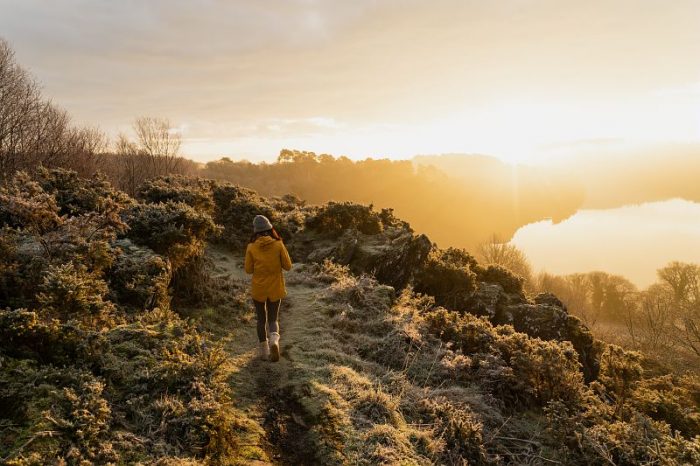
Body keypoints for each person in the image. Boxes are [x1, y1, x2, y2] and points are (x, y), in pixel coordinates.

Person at [244, 215, 292, 362]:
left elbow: (248, 270)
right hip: (275, 288)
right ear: (270, 229)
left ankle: (264, 353)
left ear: (256, 231)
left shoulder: (251, 247)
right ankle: (274, 341)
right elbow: (288, 266)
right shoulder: (278, 244)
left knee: (261, 320)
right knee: (273, 319)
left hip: (259, 289)